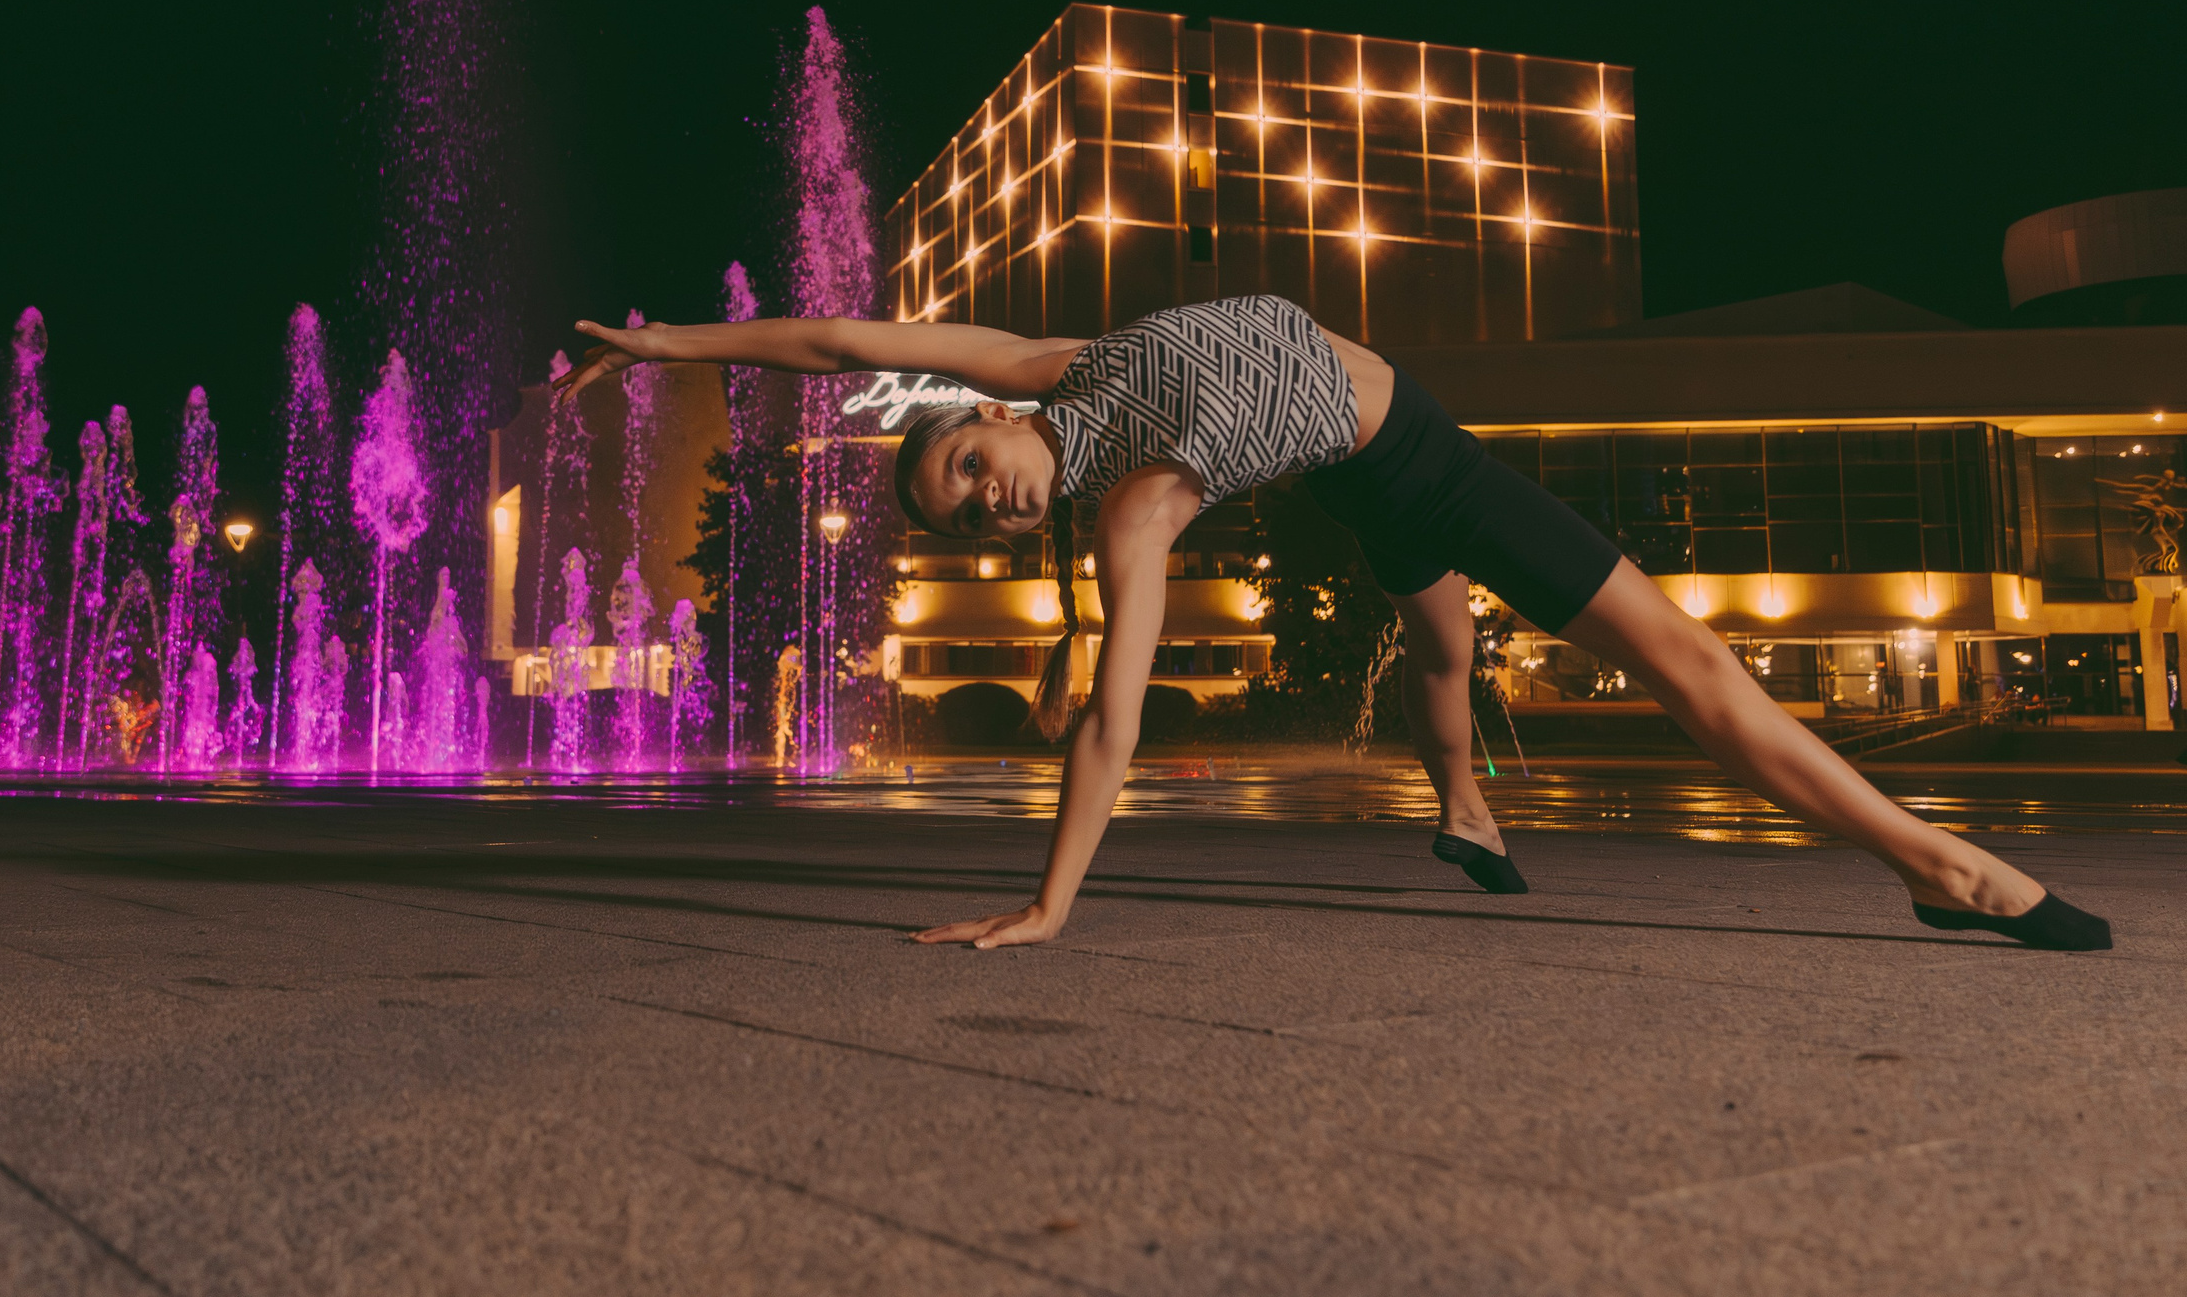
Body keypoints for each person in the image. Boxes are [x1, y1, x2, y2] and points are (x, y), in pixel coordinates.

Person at [555, 293, 2112, 952]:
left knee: (1444, 661)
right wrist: (1050, 908)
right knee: (1689, 664)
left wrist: (673, 342)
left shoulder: (1051, 360)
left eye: (965, 471)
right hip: (1420, 473)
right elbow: (1114, 719)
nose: (985, 500)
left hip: (1378, 479)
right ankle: (1946, 868)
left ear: (977, 418)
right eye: (966, 519)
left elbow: (842, 334)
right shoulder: (1134, 515)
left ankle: (1471, 814)